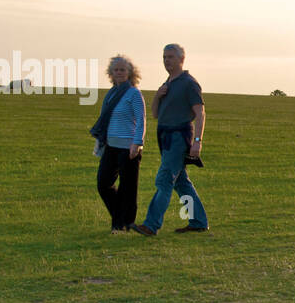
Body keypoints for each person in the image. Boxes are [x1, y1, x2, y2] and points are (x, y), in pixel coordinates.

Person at [131, 44, 208, 236]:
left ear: (182, 59)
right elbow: (156, 114)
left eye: (171, 57)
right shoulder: (168, 83)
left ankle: (151, 225)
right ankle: (198, 221)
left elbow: (200, 113)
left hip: (179, 137)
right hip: (165, 137)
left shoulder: (189, 83)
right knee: (181, 182)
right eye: (164, 57)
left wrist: (197, 141)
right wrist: (157, 95)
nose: (166, 61)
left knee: (164, 180)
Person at [89, 55, 145, 233]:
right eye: (116, 70)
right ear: (111, 73)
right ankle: (121, 219)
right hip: (111, 146)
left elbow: (142, 120)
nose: (119, 73)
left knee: (128, 188)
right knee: (103, 184)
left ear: (130, 73)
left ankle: (121, 224)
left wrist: (137, 143)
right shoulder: (111, 94)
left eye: (123, 70)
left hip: (129, 147)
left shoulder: (134, 93)